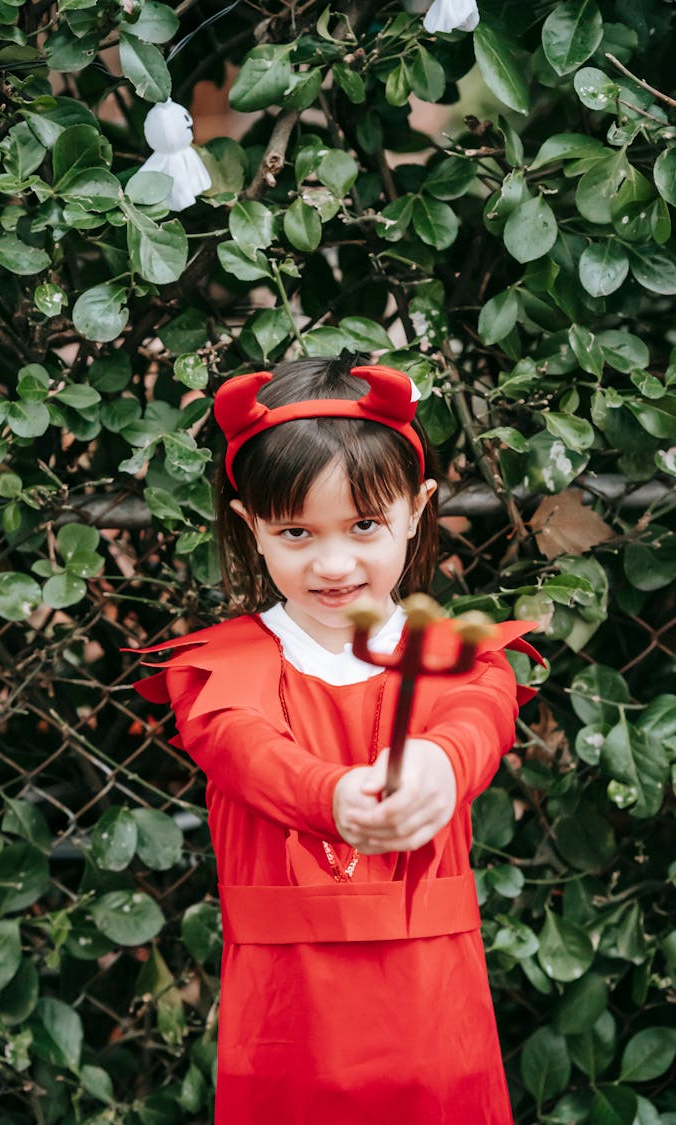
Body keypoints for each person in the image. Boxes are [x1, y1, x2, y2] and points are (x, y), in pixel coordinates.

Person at [131, 356, 541, 1125]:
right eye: (295, 531)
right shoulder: (214, 673)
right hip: (288, 1032)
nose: (332, 562)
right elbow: (248, 752)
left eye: (363, 525)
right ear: (251, 527)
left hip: (434, 1026)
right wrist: (333, 796)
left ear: (416, 510)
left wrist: (438, 766)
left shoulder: (462, 660)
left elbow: (477, 724)